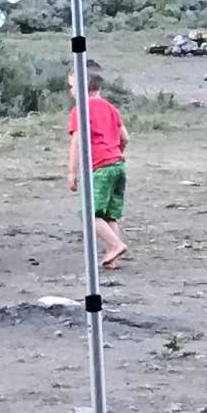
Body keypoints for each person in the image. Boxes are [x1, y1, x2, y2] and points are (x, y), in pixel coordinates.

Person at [67, 67, 127, 272]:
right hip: (118, 165)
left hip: (101, 168)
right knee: (109, 215)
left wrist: (72, 171)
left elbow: (77, 142)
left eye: (72, 86)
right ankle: (113, 258)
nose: (70, 91)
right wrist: (116, 153)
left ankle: (115, 245)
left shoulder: (80, 109)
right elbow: (125, 137)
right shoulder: (110, 108)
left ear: (82, 86)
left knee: (89, 214)